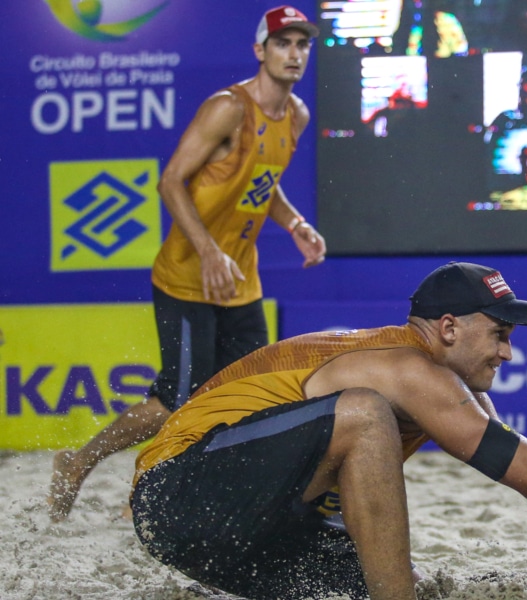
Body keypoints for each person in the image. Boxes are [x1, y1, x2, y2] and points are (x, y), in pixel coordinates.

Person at [130, 261, 527, 600]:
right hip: (176, 499)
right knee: (364, 416)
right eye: (500, 334)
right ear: (447, 328)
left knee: (400, 584)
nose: (508, 353)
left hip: (246, 532)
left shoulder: (448, 384)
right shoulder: (408, 367)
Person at [48, 5, 327, 522]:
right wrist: (208, 250)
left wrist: (294, 224)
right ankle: (78, 462)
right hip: (186, 277)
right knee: (174, 401)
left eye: (302, 44)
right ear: (259, 50)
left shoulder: (296, 115)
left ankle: (169, 493)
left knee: (249, 394)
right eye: (283, 43)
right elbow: (170, 180)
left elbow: (262, 181)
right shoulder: (228, 108)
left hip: (239, 282)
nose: (294, 53)